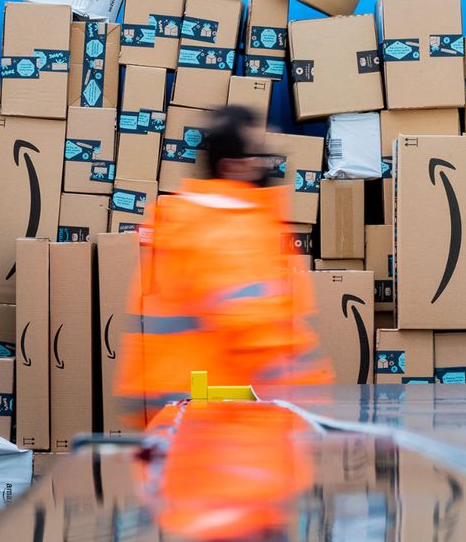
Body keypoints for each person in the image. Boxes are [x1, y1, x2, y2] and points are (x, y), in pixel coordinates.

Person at [115, 106, 333, 410]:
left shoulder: (186, 216)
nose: (268, 161)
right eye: (258, 152)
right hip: (218, 410)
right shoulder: (228, 225)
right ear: (232, 166)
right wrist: (314, 402)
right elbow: (258, 332)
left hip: (179, 407)